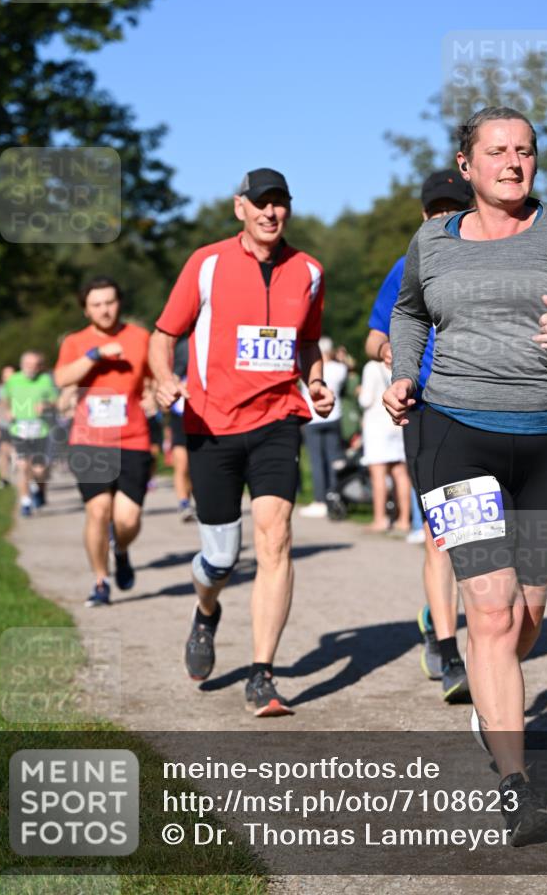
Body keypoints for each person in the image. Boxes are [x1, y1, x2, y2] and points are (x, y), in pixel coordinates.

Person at [384, 106, 547, 845]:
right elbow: (407, 314)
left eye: (524, 151)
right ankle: (515, 789)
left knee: (522, 618)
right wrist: (404, 374)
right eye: (496, 152)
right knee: (488, 611)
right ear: (465, 165)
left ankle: (489, 703)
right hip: (456, 435)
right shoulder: (433, 239)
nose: (513, 163)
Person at [149, 167, 334, 717]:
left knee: (275, 537)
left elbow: (307, 344)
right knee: (221, 557)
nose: (270, 212)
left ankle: (262, 673)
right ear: (240, 208)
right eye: (261, 203)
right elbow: (164, 336)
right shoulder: (206, 264)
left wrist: (316, 381)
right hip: (211, 424)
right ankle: (206, 611)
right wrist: (163, 379)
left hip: (278, 419)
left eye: (280, 203)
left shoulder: (310, 271)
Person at [365, 168, 473, 703]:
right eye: (436, 211)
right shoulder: (407, 267)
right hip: (425, 408)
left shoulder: (490, 264)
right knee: (443, 533)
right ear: (424, 216)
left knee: (484, 534)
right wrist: (392, 355)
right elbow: (373, 338)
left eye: (455, 209)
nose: (445, 219)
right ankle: (450, 653)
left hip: (483, 410)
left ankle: (438, 614)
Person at [54, 276, 152, 607]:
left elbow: (154, 380)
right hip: (89, 440)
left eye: (110, 302)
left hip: (133, 438)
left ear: (120, 302)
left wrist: (155, 397)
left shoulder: (140, 338)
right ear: (86, 309)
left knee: (127, 520)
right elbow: (62, 378)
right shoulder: (75, 342)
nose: (105, 310)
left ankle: (121, 549)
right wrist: (95, 354)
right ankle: (100, 580)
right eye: (96, 304)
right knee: (98, 510)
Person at [358, 358, 411, 533]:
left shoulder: (371, 367)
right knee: (400, 473)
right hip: (397, 422)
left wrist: (359, 392)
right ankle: (404, 520)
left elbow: (365, 400)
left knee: (378, 473)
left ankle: (380, 519)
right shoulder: (401, 364)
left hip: (377, 425)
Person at [299, 336, 347, 518]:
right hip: (334, 416)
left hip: (313, 418)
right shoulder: (339, 368)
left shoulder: (307, 366)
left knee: (317, 461)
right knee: (334, 459)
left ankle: (319, 499)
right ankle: (334, 495)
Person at [4, 352, 57, 516]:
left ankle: (38, 488)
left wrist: (46, 405)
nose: (31, 368)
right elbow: (6, 399)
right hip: (19, 429)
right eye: (28, 364)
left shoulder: (46, 380)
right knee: (23, 465)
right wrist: (8, 411)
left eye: (35, 365)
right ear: (21, 365)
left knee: (39, 469)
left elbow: (56, 401)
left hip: (41, 430)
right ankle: (25, 502)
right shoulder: (13, 380)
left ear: (40, 366)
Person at [169, 335, 196, 522]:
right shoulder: (183, 345)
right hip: (180, 411)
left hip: (206, 413)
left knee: (196, 464)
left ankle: (197, 500)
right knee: (182, 462)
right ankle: (184, 503)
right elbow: (174, 374)